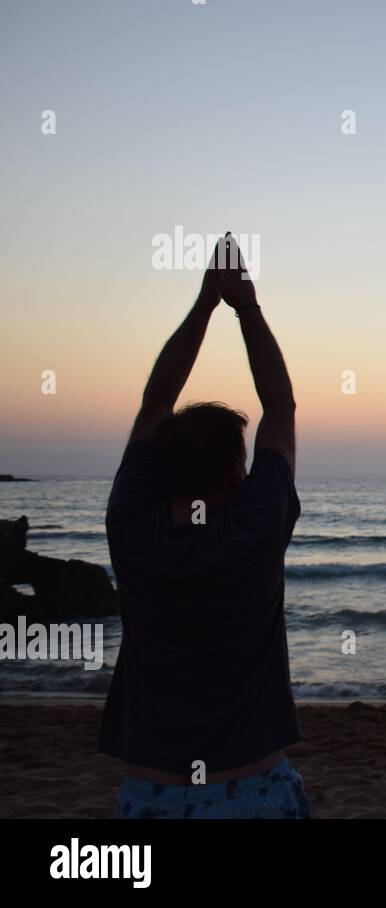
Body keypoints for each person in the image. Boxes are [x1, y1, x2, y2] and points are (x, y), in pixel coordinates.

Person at [100, 234, 309, 819]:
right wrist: (245, 305)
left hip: (152, 797)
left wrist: (205, 303)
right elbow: (281, 408)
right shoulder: (256, 525)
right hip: (254, 792)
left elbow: (155, 401)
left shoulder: (130, 523)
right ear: (239, 473)